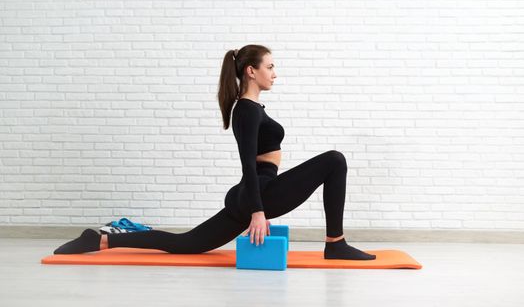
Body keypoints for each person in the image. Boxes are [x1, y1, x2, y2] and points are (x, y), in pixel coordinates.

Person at [53, 44, 376, 260]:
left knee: (187, 244)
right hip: (258, 192)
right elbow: (248, 164)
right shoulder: (246, 110)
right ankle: (336, 244)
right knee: (334, 159)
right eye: (271, 66)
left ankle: (100, 240)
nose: (275, 73)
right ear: (251, 71)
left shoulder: (252, 108)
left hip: (255, 193)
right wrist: (257, 210)